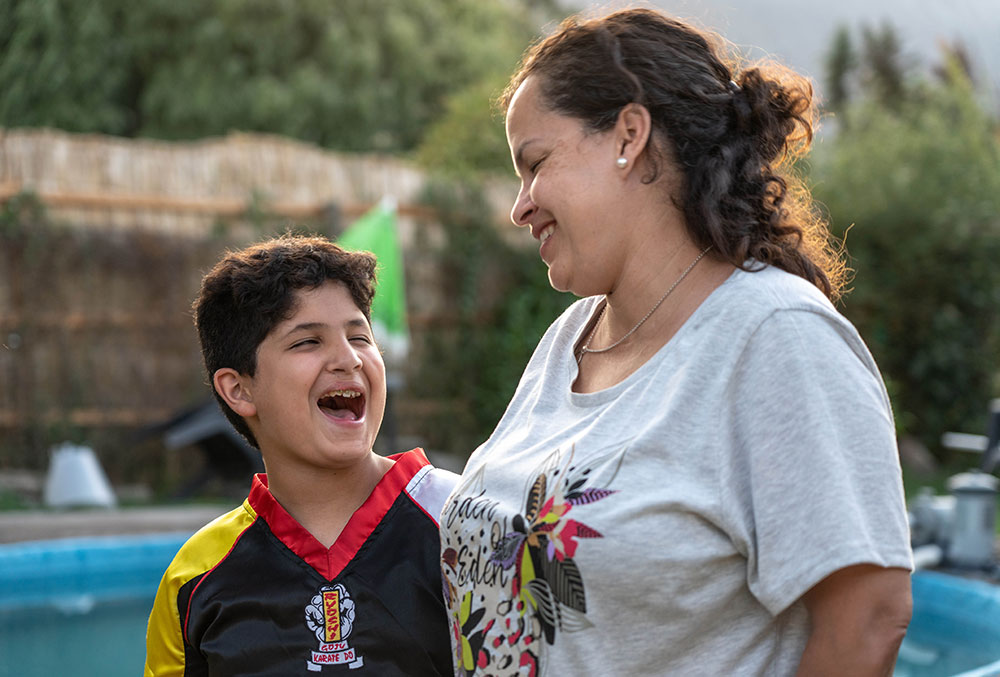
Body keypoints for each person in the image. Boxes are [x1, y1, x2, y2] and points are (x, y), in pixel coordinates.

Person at [440, 8, 912, 676]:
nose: (519, 205)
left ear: (628, 135)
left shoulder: (777, 337)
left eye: (536, 163)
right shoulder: (567, 340)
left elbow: (869, 617)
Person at [145, 235, 457, 676]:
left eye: (360, 337)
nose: (348, 359)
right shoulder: (195, 579)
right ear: (239, 389)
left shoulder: (461, 522)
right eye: (307, 342)